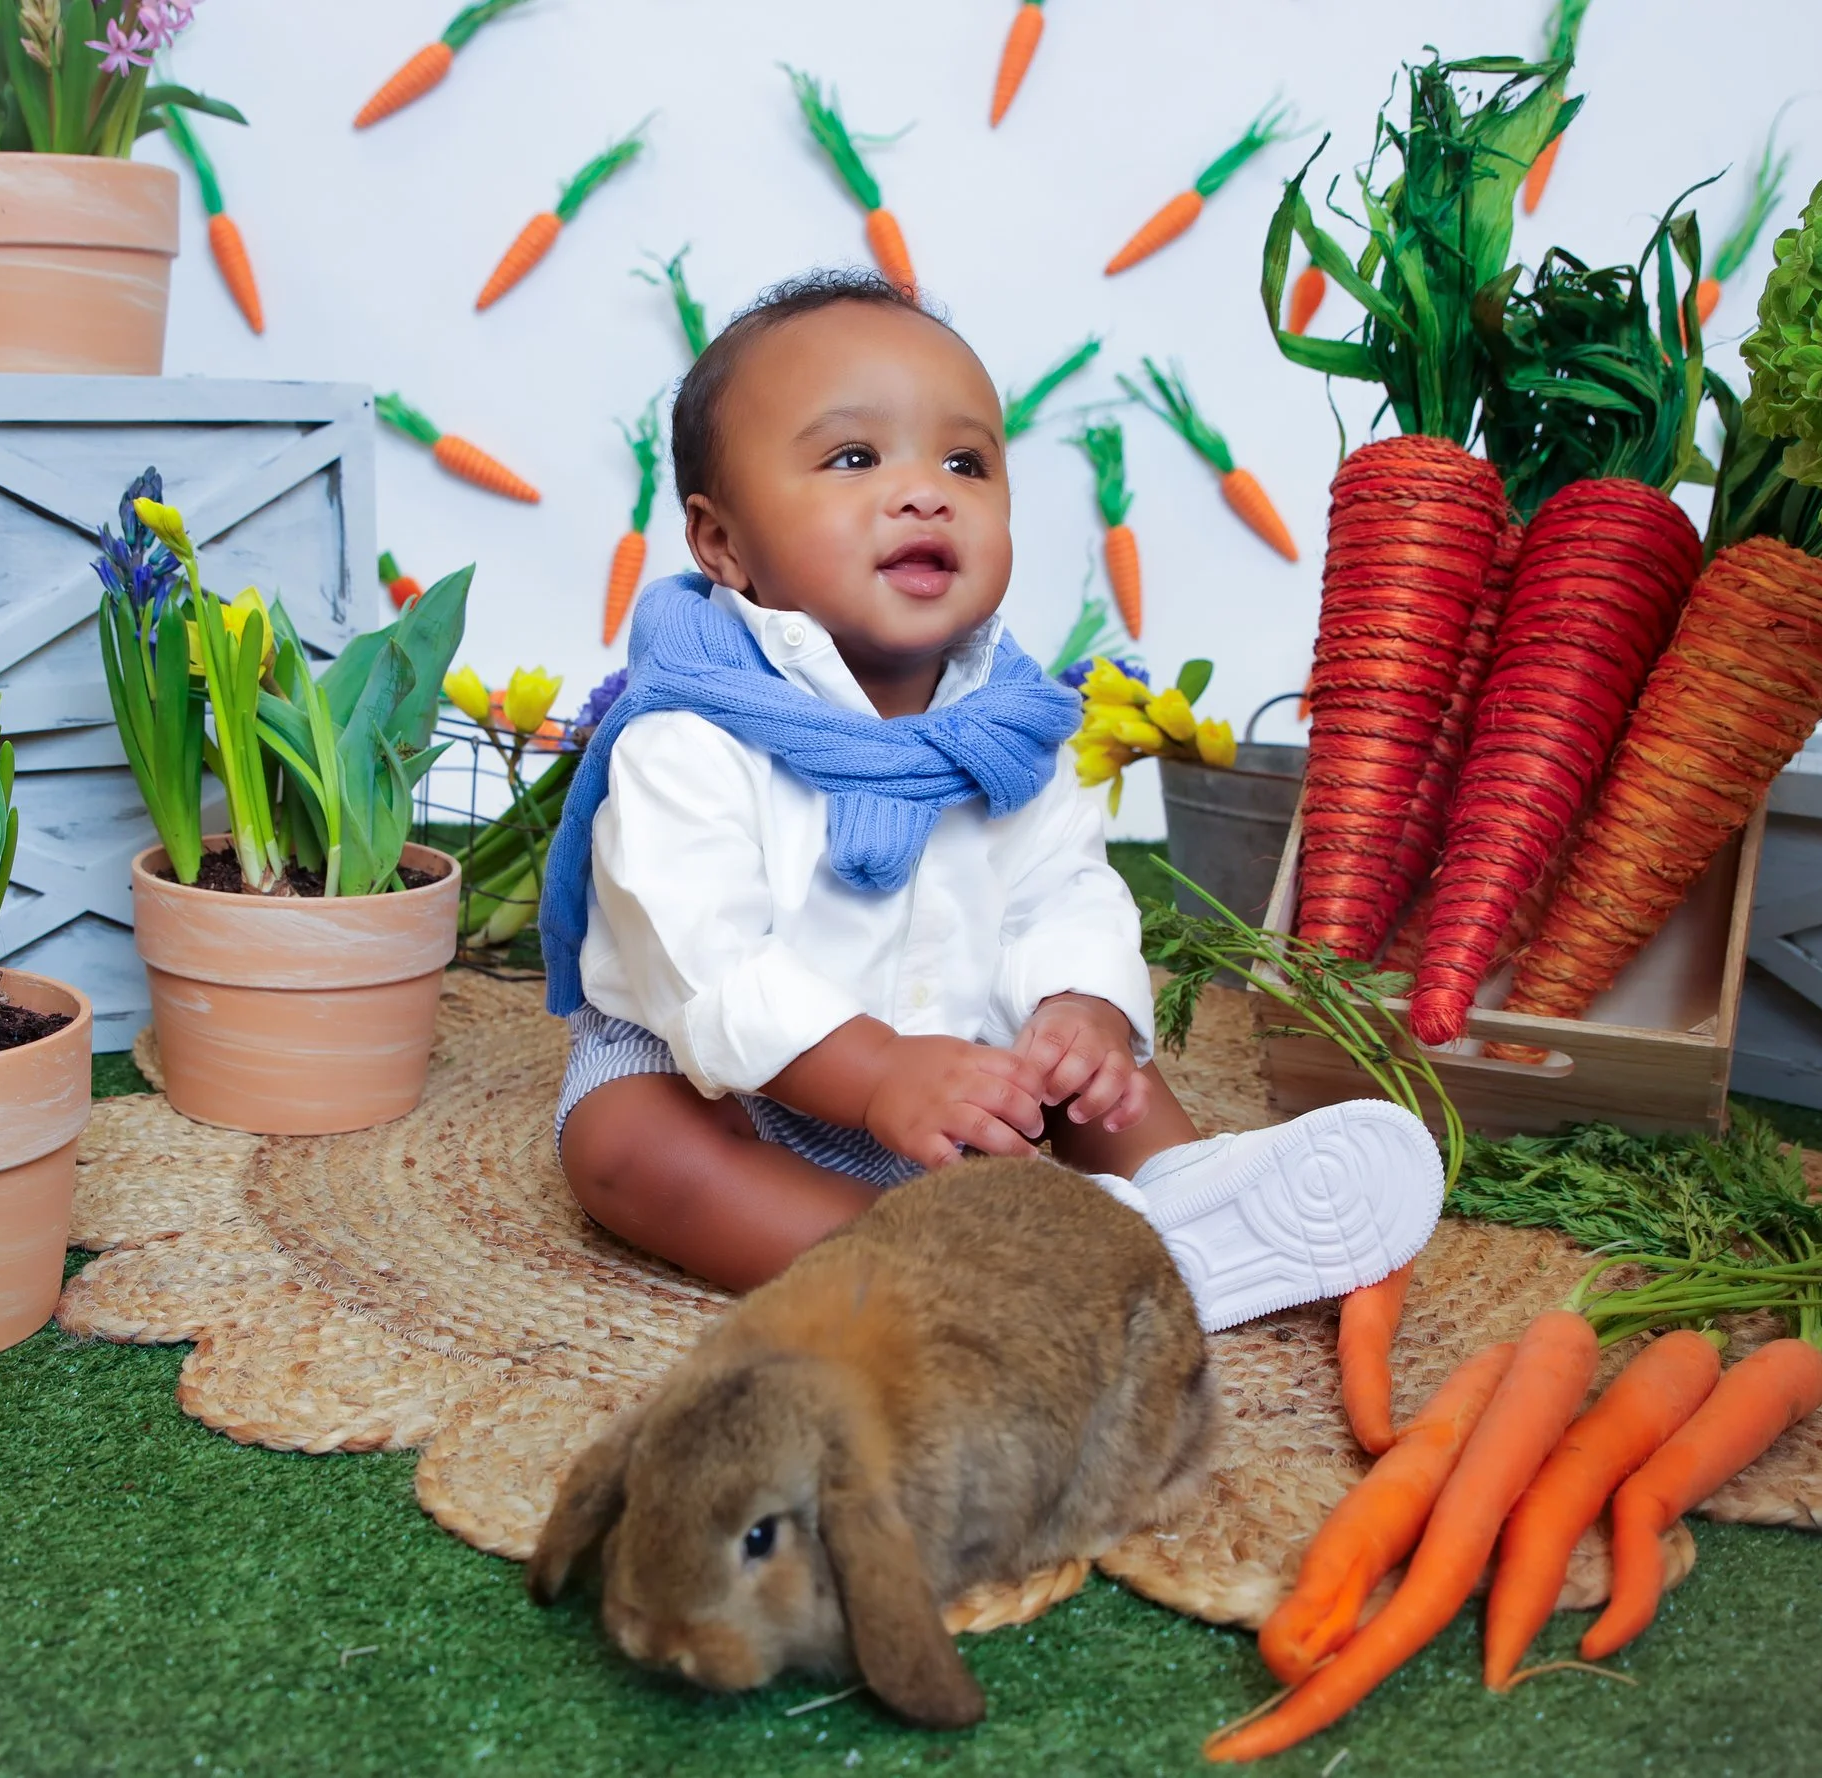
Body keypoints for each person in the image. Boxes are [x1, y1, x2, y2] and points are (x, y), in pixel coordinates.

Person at [539, 270, 1439, 1331]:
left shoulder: (1010, 731)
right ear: (721, 542)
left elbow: (1061, 891)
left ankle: (1191, 1201)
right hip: (733, 1076)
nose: (925, 491)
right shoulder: (689, 738)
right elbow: (709, 967)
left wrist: (1079, 1010)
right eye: (853, 457)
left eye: (964, 461)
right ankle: (930, 1264)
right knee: (630, 1145)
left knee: (1099, 1069)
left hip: (959, 1054)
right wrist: (876, 1073)